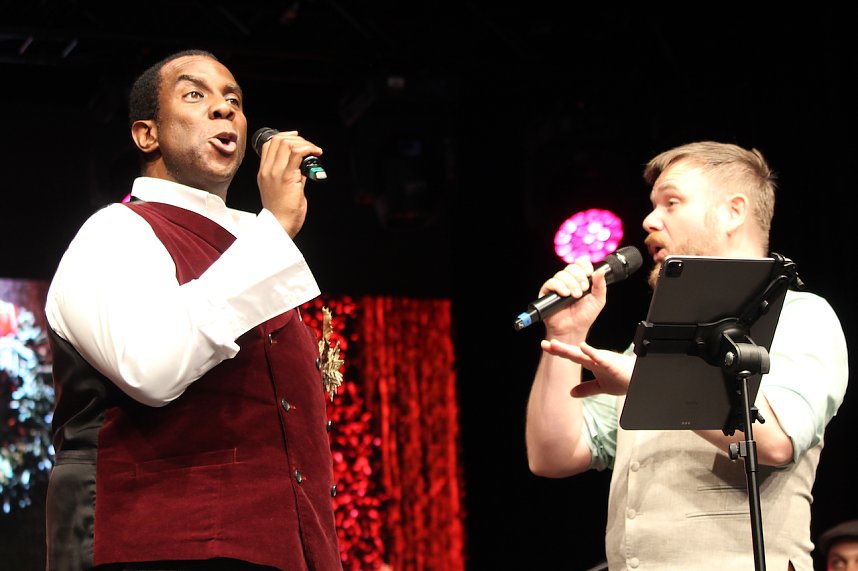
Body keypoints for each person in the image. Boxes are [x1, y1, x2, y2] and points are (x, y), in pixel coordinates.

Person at [44, 49, 343, 570]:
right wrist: (272, 229)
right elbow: (152, 370)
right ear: (147, 135)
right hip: (152, 548)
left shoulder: (254, 243)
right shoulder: (115, 232)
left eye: (233, 100)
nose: (224, 109)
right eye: (194, 95)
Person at [524, 141, 849, 570]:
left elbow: (775, 441)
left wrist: (644, 382)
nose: (649, 220)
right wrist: (565, 336)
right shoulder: (652, 343)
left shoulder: (801, 316)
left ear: (733, 211)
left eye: (671, 202)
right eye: (652, 205)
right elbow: (554, 455)